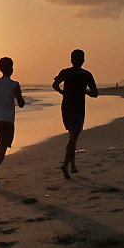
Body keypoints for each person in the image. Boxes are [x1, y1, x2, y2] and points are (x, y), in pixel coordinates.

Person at [52, 49, 98, 179]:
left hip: (66, 106)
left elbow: (55, 85)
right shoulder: (86, 74)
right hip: (78, 107)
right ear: (83, 60)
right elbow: (95, 93)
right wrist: (85, 91)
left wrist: (63, 93)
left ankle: (72, 165)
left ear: (71, 60)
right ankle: (66, 165)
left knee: (71, 136)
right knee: (73, 137)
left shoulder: (65, 72)